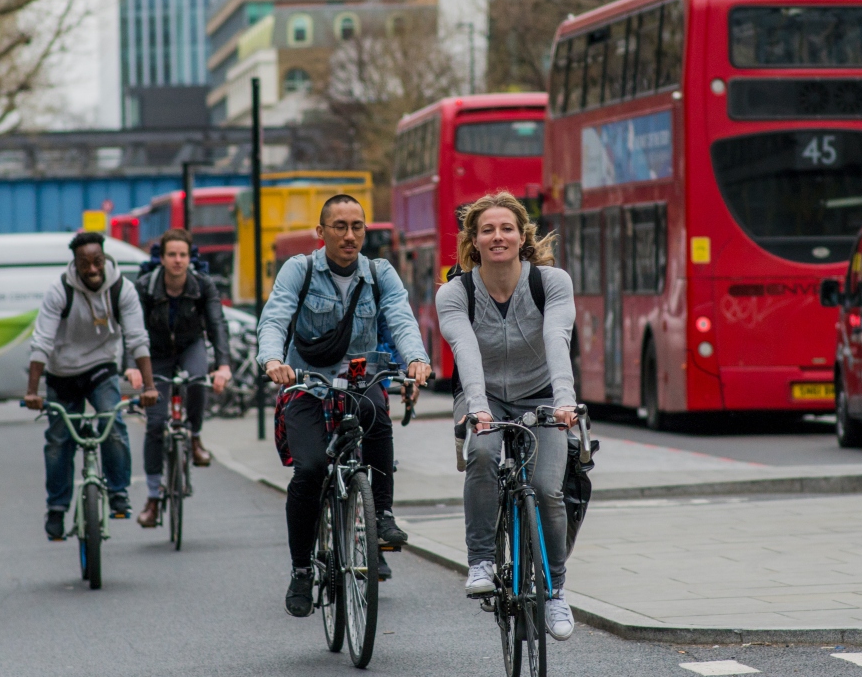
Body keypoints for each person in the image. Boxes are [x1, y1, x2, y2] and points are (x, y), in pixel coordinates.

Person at [257, 194, 431, 616]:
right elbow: (275, 317)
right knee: (312, 469)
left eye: (357, 226)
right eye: (340, 226)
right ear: (321, 232)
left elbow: (401, 318)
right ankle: (302, 570)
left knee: (376, 415)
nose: (350, 235)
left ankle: (382, 514)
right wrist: (273, 361)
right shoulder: (299, 270)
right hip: (306, 384)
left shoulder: (378, 273)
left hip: (356, 381)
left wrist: (416, 358)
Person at [435, 192, 579, 641]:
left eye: (506, 229)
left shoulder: (551, 282)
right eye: (487, 230)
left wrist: (564, 399)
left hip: (542, 394)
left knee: (546, 490)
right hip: (485, 398)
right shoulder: (454, 292)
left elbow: (557, 337)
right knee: (481, 455)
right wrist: (476, 407)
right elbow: (465, 351)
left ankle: (554, 592)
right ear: (473, 241)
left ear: (522, 236)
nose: (498, 237)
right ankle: (480, 559)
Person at [24, 232, 157, 540]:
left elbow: (137, 338)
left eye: (97, 261)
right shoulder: (59, 291)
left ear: (105, 258)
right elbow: (41, 341)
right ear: (75, 264)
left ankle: (119, 492)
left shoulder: (122, 288)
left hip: (101, 367)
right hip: (62, 372)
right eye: (85, 264)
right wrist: (32, 391)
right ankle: (56, 509)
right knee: (58, 440)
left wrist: (148, 386)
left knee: (112, 421)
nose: (93, 269)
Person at [134, 228, 233, 528]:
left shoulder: (202, 285)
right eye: (172, 255)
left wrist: (224, 365)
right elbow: (133, 331)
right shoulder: (145, 287)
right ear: (162, 258)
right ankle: (152, 498)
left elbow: (217, 324)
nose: (178, 260)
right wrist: (133, 367)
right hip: (157, 353)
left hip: (191, 345)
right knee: (154, 423)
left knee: (197, 380)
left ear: (190, 258)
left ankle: (194, 436)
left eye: (183, 255)